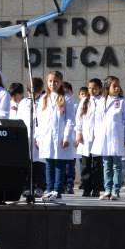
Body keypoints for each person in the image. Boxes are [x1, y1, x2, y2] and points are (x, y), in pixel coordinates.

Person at [36, 71, 76, 201]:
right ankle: (49, 188)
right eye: (50, 81)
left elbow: (70, 120)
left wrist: (66, 137)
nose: (53, 84)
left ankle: (57, 190)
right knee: (48, 163)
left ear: (60, 82)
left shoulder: (67, 98)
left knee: (59, 163)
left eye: (56, 81)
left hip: (60, 137)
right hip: (46, 136)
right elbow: (39, 121)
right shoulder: (43, 98)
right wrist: (38, 137)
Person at [91, 75, 125, 200]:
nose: (117, 88)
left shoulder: (123, 102)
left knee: (117, 165)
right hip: (104, 138)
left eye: (118, 85)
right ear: (107, 87)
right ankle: (107, 190)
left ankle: (116, 190)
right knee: (106, 165)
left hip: (117, 137)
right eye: (114, 86)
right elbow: (97, 121)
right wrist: (97, 137)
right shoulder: (101, 102)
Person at [75, 79, 103, 198]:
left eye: (95, 88)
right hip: (86, 137)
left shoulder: (103, 101)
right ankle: (86, 188)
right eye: (90, 88)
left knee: (97, 165)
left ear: (100, 89)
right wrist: (79, 133)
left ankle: (96, 188)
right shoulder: (84, 101)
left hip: (98, 137)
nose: (92, 90)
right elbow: (79, 118)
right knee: (85, 165)